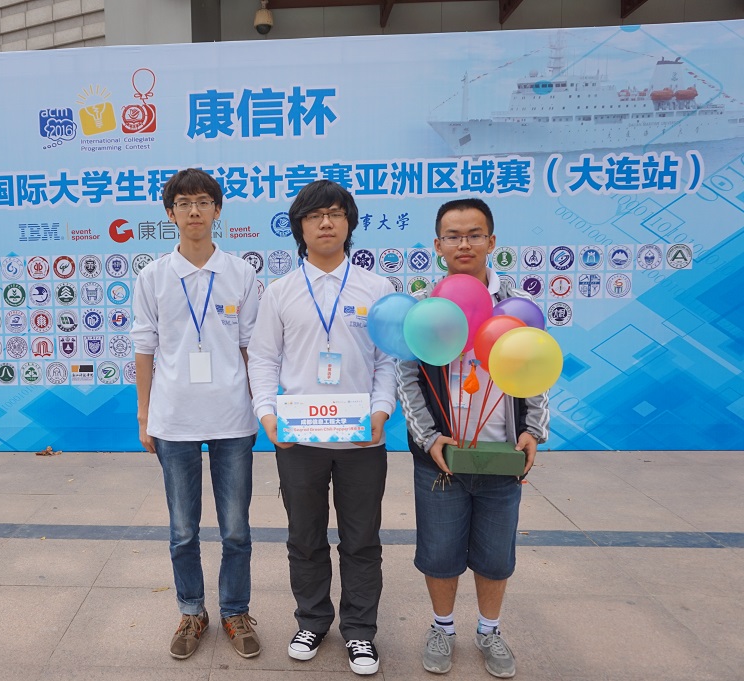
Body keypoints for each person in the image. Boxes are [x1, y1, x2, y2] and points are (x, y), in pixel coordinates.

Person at [247, 180, 397, 675]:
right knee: (304, 537)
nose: (326, 223)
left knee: (362, 540)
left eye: (335, 213)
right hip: (298, 439)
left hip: (362, 439)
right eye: (314, 216)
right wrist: (268, 416)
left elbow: (387, 361)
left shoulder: (377, 289)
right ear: (300, 228)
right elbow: (263, 359)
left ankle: (360, 632)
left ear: (349, 222)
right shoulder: (280, 292)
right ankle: (311, 620)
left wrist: (380, 412)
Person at [396, 198, 550, 679]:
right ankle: (442, 628)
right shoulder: (425, 309)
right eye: (453, 236)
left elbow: (536, 371)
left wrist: (532, 431)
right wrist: (427, 438)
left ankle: (489, 630)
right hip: (441, 457)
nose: (464, 244)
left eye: (474, 234)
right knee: (439, 553)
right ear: (437, 244)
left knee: (496, 556)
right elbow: (406, 377)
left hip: (502, 456)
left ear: (492, 241)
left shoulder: (515, 307)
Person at [131, 167, 262, 660]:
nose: (194, 211)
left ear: (217, 210)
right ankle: (192, 611)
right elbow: (144, 348)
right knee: (183, 530)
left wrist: (261, 405)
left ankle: (234, 611)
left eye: (203, 202)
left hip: (232, 416)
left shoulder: (241, 273)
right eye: (183, 203)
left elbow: (251, 347)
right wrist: (144, 415)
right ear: (170, 213)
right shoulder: (154, 276)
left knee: (236, 529)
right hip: (175, 418)